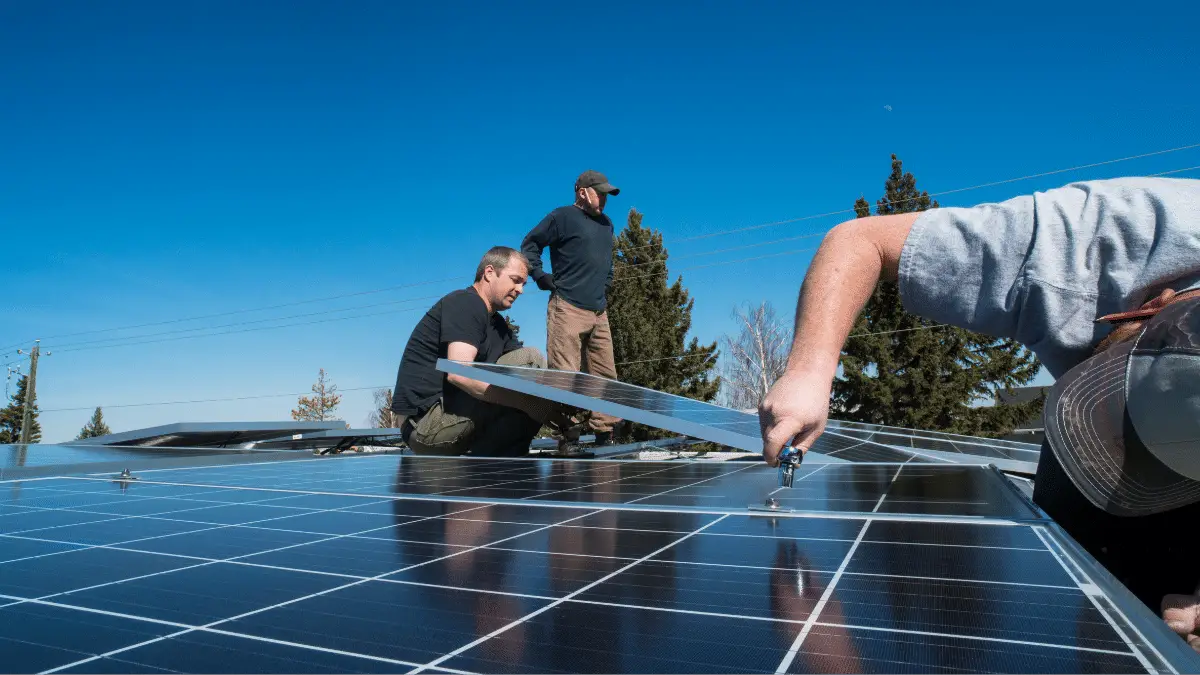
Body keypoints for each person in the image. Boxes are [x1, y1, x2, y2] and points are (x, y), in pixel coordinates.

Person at [757, 176, 1200, 651]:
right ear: (1152, 307)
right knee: (1091, 592)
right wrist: (809, 369)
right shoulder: (1083, 239)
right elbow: (860, 239)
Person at [391, 246, 573, 456]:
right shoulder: (465, 303)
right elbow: (459, 374)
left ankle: (504, 457)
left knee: (532, 375)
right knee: (530, 360)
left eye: (523, 284)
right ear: (489, 273)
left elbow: (533, 378)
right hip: (424, 427)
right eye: (515, 280)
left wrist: (559, 409)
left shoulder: (499, 328)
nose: (521, 290)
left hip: (454, 423)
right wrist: (529, 403)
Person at [521, 169, 623, 446]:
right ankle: (568, 436)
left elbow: (607, 261)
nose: (604, 199)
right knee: (565, 375)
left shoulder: (607, 224)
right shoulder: (562, 217)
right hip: (566, 307)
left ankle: (605, 434)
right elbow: (530, 245)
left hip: (599, 311)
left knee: (606, 375)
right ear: (582, 192)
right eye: (599, 193)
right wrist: (541, 276)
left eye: (606, 194)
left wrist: (607, 284)